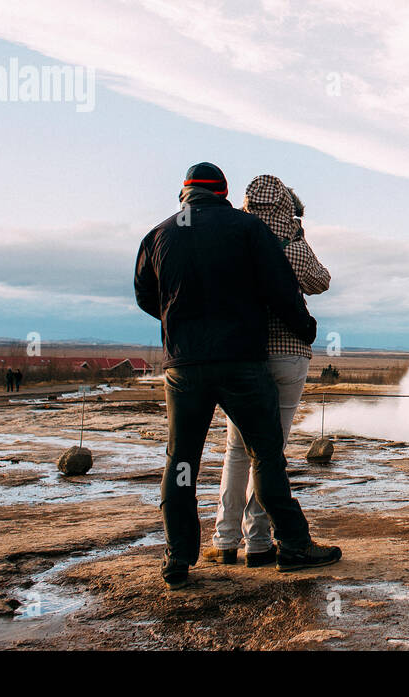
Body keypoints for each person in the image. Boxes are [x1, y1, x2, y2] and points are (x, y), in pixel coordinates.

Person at [134, 162, 341, 589]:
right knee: (266, 455)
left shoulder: (158, 235)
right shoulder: (247, 229)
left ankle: (178, 559)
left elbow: (146, 296)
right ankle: (293, 547)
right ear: (224, 192)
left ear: (184, 193)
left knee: (182, 461)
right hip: (242, 362)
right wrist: (305, 328)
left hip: (184, 366)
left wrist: (182, 327)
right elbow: (278, 287)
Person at [205, 174, 332, 567]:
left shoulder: (235, 235)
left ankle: (224, 540)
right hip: (288, 354)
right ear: (286, 207)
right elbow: (320, 282)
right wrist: (297, 235)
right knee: (269, 453)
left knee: (236, 449)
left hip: (245, 355)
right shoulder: (289, 242)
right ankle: (258, 542)